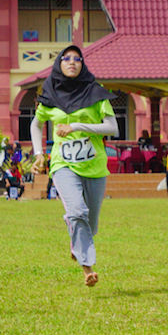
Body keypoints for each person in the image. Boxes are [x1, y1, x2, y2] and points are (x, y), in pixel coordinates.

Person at [30, 45, 118, 287]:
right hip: (63, 164)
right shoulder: (50, 95)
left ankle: (74, 235)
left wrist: (77, 127)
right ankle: (87, 268)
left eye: (77, 59)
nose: (72, 62)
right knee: (78, 211)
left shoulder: (95, 93)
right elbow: (36, 124)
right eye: (66, 58)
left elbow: (112, 128)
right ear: (59, 63)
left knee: (91, 223)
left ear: (82, 64)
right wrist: (39, 153)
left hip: (95, 165)